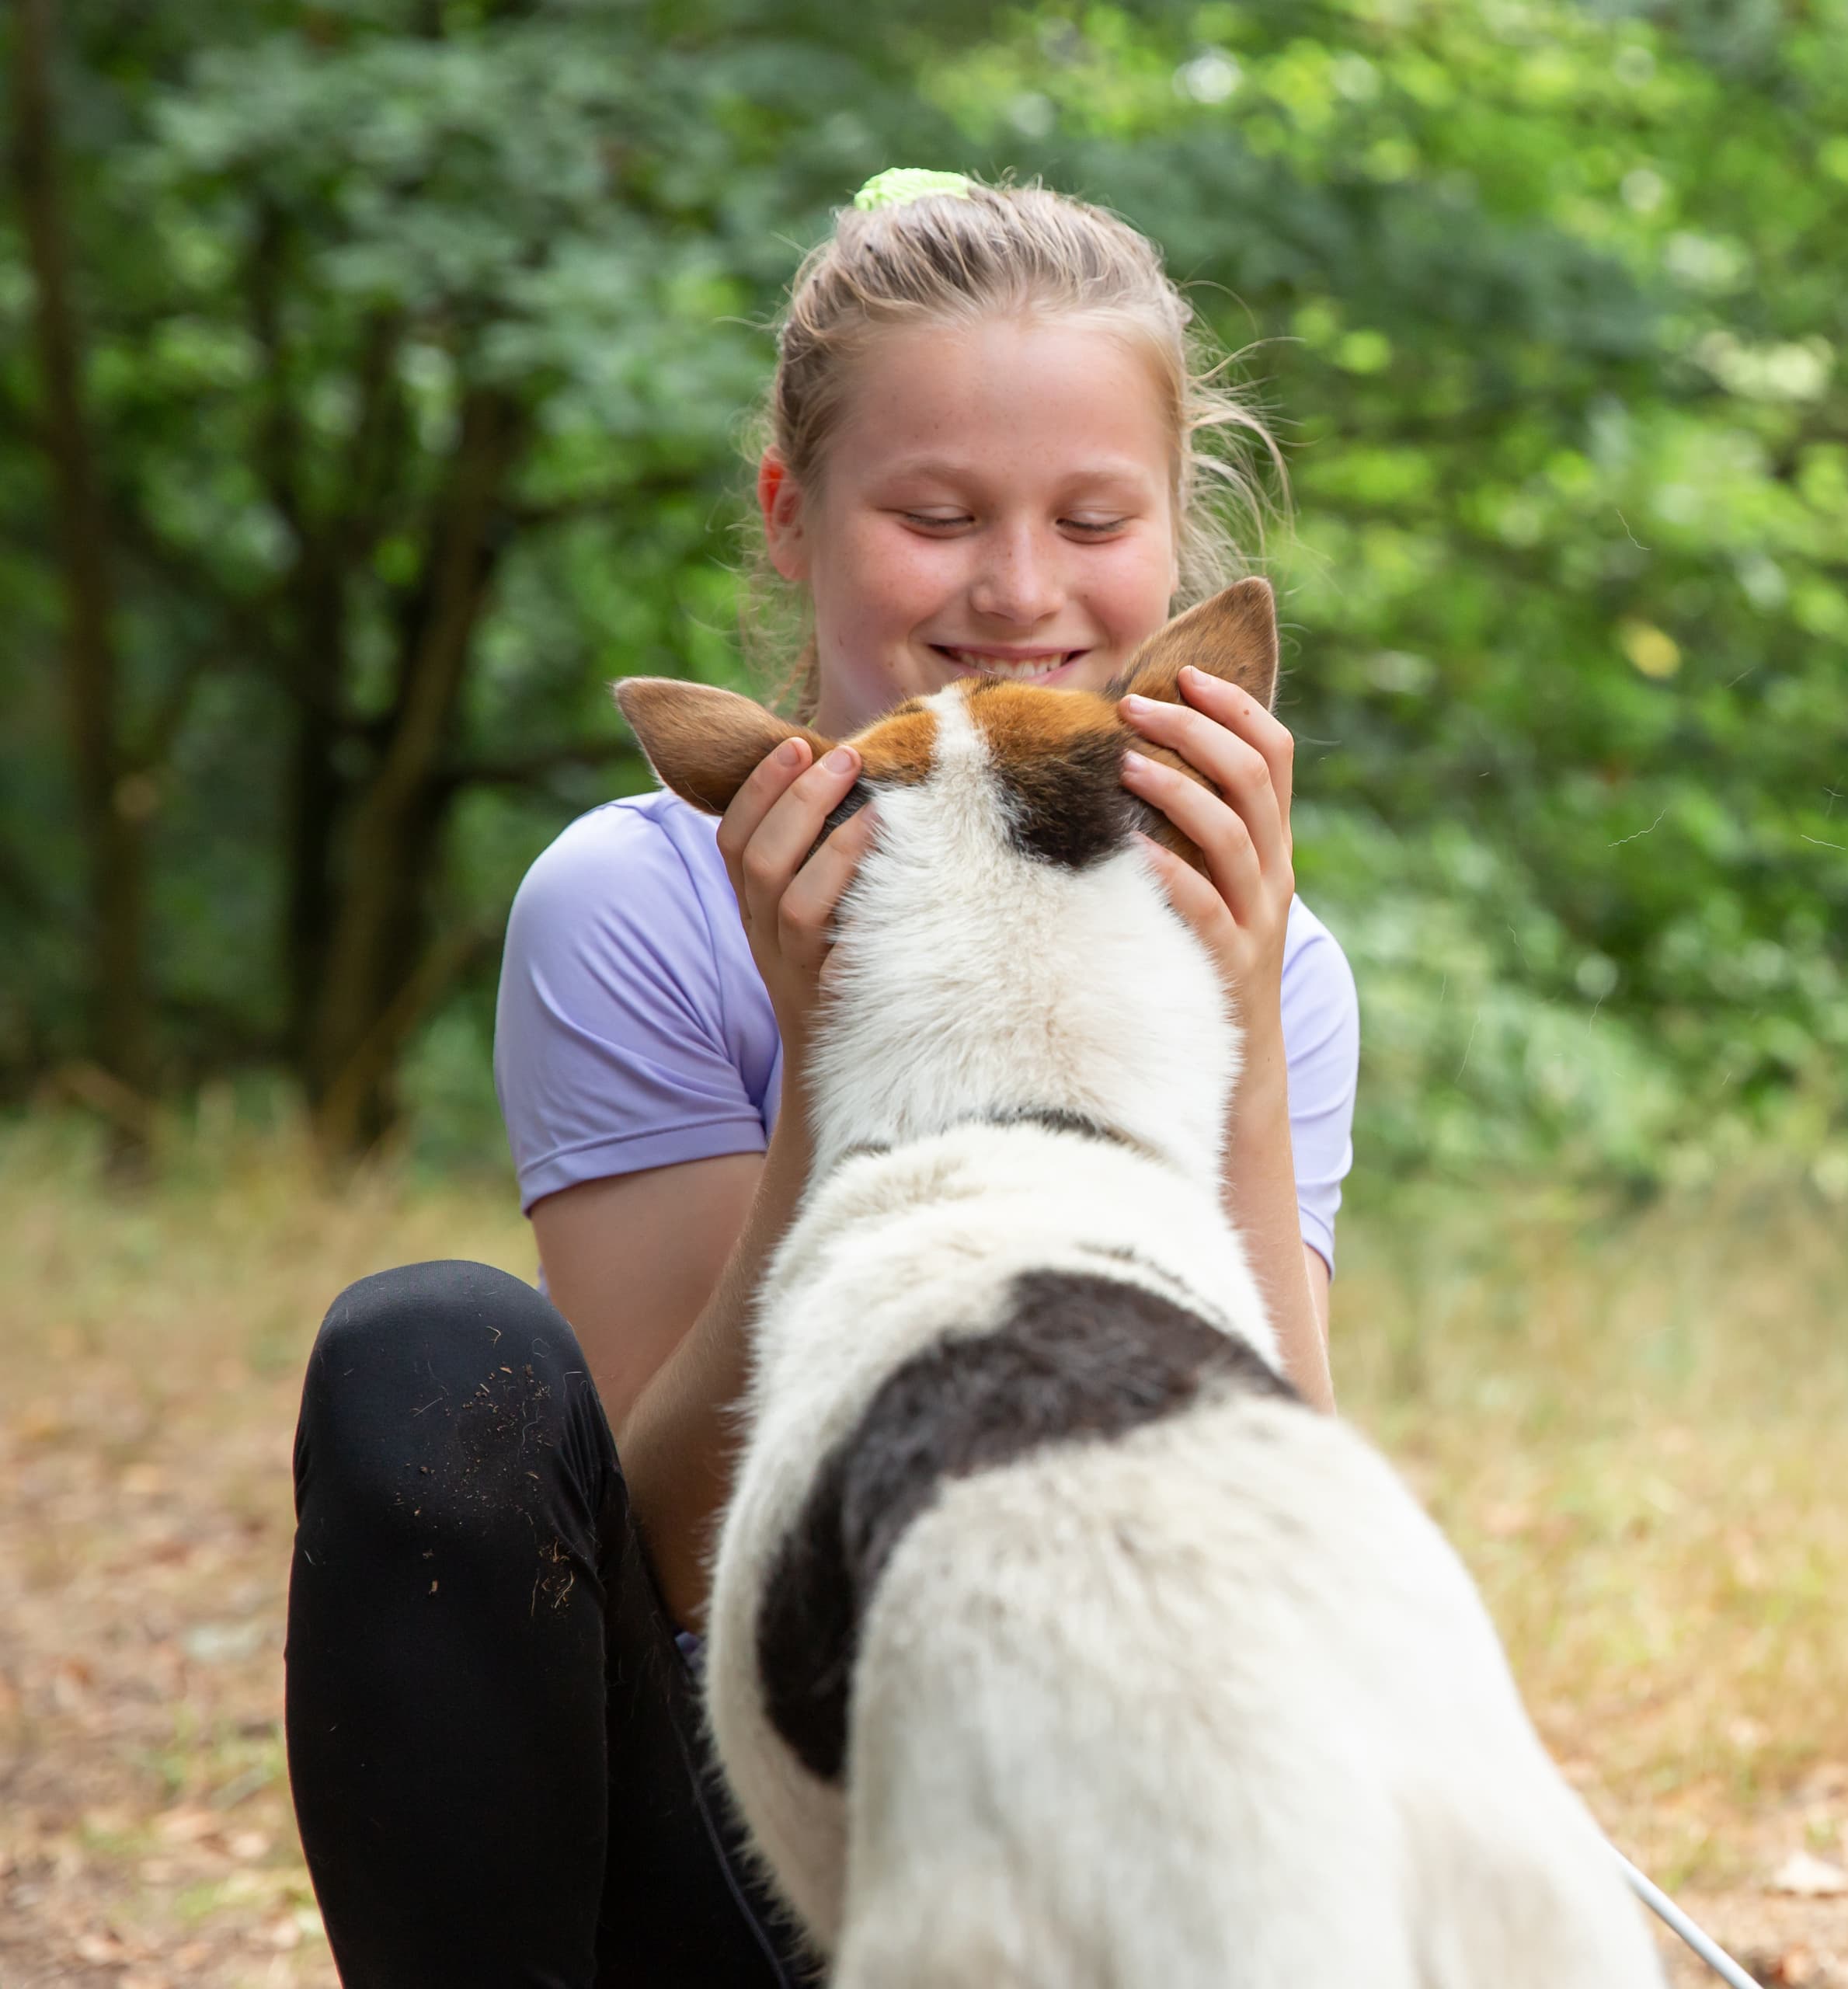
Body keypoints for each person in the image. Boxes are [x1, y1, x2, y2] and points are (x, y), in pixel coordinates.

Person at [281, 173, 1359, 1987]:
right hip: (739, 1843)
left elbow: (1285, 1549)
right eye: (935, 515)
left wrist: (1238, 1038)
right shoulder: (639, 897)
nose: (1019, 588)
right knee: (428, 1356)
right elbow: (680, 1551)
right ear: (792, 514)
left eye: (1094, 518)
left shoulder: (1263, 940)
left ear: (1177, 543)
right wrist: (834, 1059)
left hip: (1080, 1858)